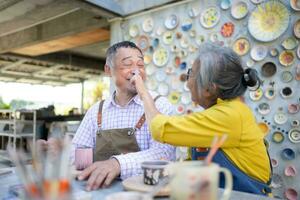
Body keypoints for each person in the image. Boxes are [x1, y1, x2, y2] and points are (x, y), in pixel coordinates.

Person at [131, 43, 272, 196]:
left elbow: (159, 128)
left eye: (191, 73)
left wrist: (143, 92)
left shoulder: (231, 116)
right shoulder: (221, 112)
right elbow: (197, 165)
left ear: (208, 89)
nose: (187, 80)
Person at [70, 41, 174, 191]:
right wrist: (58, 152)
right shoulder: (96, 111)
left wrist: (118, 164)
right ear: (108, 70)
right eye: (128, 64)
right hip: (100, 192)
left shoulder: (160, 105)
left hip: (147, 194)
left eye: (140, 65)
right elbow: (81, 155)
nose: (136, 71)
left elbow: (163, 155)